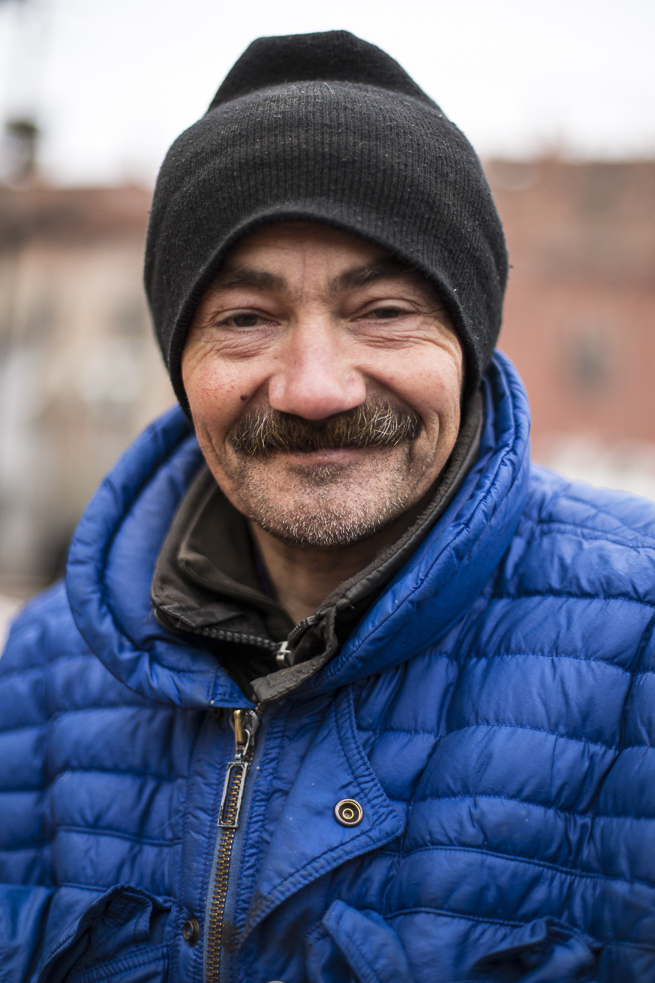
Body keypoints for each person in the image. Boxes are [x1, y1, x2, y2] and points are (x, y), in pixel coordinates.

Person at [1, 29, 655, 983]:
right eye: (245, 319)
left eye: (383, 310)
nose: (314, 387)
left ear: (467, 343)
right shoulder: (45, 672)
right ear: (180, 366)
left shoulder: (639, 642)